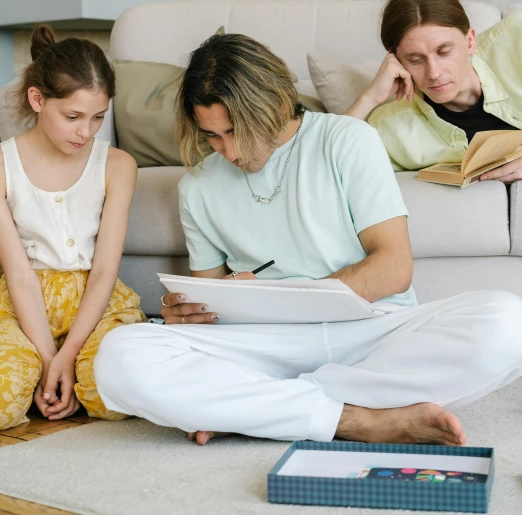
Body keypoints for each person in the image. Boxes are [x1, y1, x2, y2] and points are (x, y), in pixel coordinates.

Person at [95, 34, 522, 447]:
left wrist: (285, 297)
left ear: (277, 105)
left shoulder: (348, 140)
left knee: (509, 321)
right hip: (267, 344)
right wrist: (190, 311)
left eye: (235, 131)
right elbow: (212, 302)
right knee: (119, 354)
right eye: (212, 135)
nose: (226, 150)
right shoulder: (198, 187)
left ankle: (257, 407)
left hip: (371, 330)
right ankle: (353, 419)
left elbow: (394, 267)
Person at [0, 25, 145, 430]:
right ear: (37, 99)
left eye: (98, 117)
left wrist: (69, 355)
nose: (86, 132)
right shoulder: (2, 166)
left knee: (114, 395)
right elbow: (18, 273)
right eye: (73, 117)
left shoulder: (118, 166)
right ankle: (47, 380)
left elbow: (103, 271)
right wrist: (50, 358)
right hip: (20, 307)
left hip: (97, 307)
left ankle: (72, 381)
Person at [345, 0, 522, 177]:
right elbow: (319, 167)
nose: (434, 73)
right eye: (415, 60)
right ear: (396, 61)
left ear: (470, 42)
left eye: (444, 52)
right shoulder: (390, 126)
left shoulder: (516, 42)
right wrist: (369, 98)